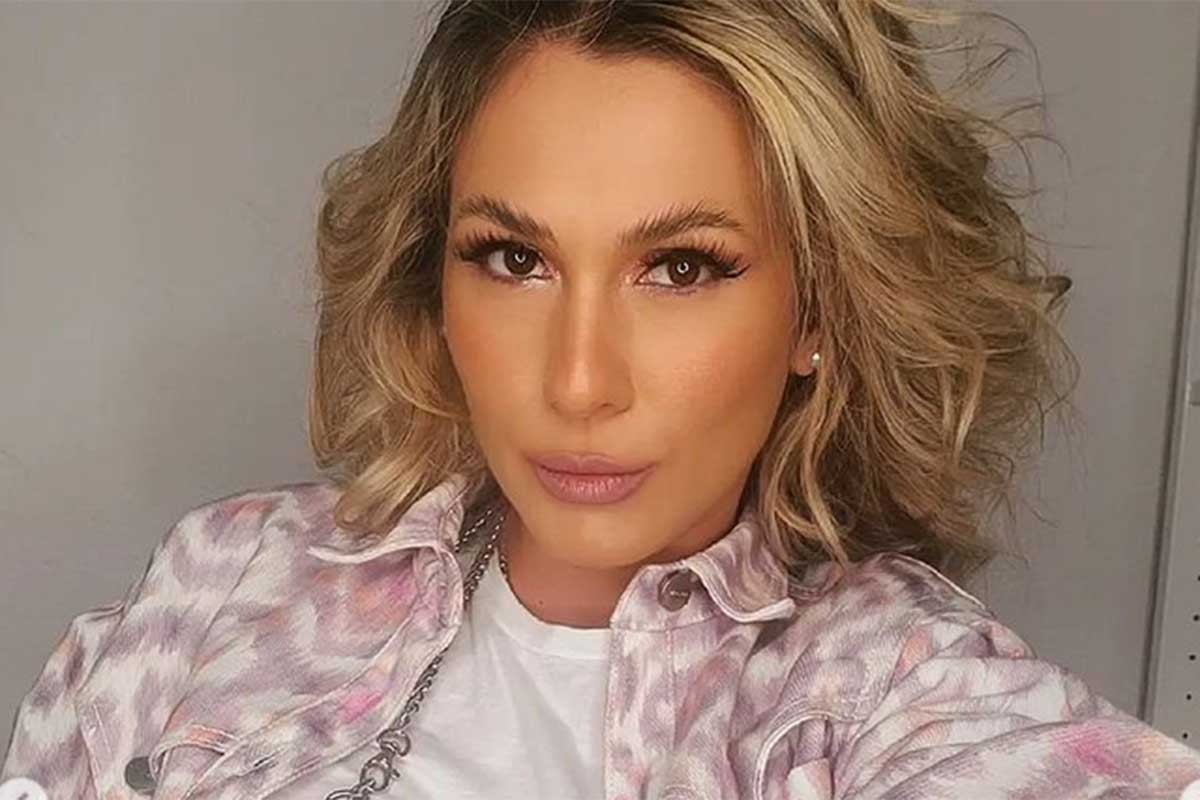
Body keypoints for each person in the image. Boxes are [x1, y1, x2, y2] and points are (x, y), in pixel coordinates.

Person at [4, 0, 1200, 798]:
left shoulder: (896, 690)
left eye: (682, 268)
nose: (578, 381)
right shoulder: (227, 582)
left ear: (820, 312)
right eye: (513, 258)